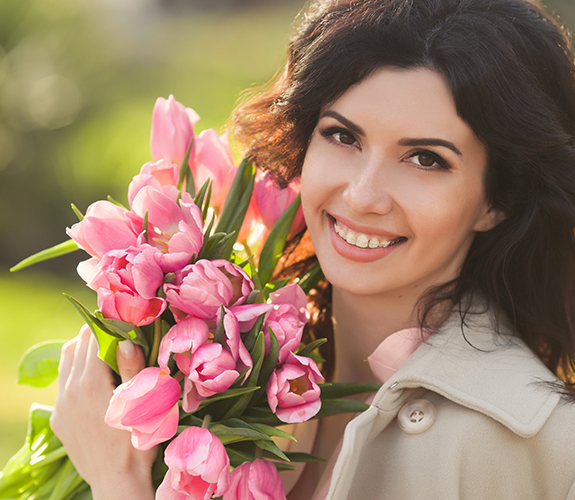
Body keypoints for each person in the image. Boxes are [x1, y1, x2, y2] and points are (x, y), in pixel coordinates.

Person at [50, 0, 575, 498]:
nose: (363, 195)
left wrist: (118, 482)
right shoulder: (226, 366)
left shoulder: (543, 451)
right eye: (343, 137)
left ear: (497, 200)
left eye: (425, 160)